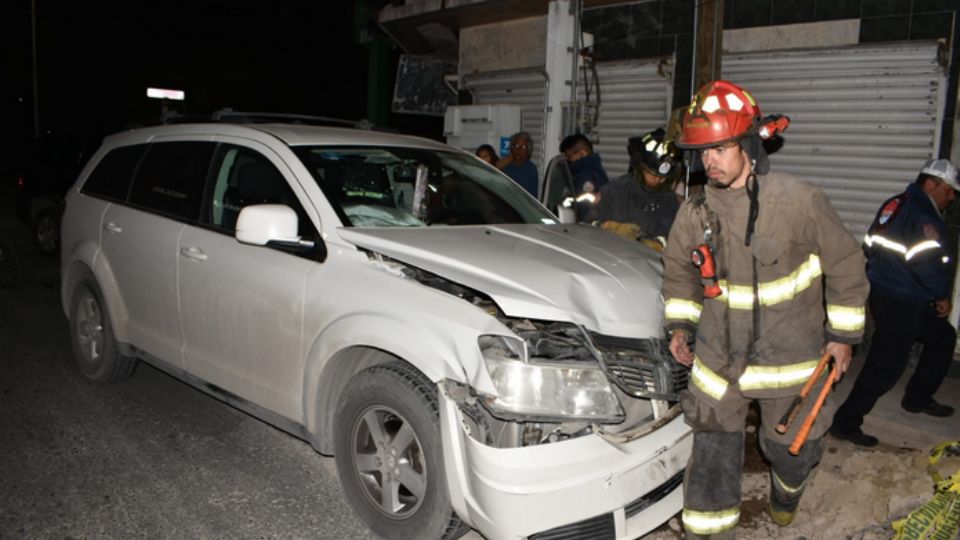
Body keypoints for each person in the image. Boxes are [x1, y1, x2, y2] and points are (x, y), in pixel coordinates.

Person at [661, 80, 869, 537]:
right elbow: (679, 273)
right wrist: (679, 324)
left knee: (793, 450)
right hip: (718, 363)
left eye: (719, 148)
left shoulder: (799, 202)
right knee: (711, 458)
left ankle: (785, 491)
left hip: (790, 362)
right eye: (702, 151)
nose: (708, 161)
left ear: (750, 145)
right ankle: (711, 532)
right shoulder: (694, 212)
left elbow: (847, 263)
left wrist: (842, 337)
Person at [830, 159, 958, 447]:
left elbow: (870, 245)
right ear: (931, 184)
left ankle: (917, 398)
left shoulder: (896, 203)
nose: (951, 197)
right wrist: (940, 295)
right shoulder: (923, 216)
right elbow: (926, 266)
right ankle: (845, 422)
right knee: (886, 365)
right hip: (903, 298)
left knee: (942, 337)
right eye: (949, 190)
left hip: (891, 292)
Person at [595, 127, 681, 247]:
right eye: (651, 173)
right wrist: (610, 227)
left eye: (663, 177)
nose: (658, 180)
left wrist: (657, 244)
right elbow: (587, 227)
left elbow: (676, 238)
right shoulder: (615, 190)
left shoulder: (669, 200)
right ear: (640, 167)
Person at [559, 133, 609, 221]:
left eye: (569, 156)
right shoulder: (595, 168)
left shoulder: (585, 175)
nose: (568, 160)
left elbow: (586, 209)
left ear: (582, 153)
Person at [497, 132, 539, 197]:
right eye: (516, 146)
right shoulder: (505, 164)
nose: (519, 149)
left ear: (528, 150)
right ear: (512, 148)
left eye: (523, 147)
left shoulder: (530, 169)